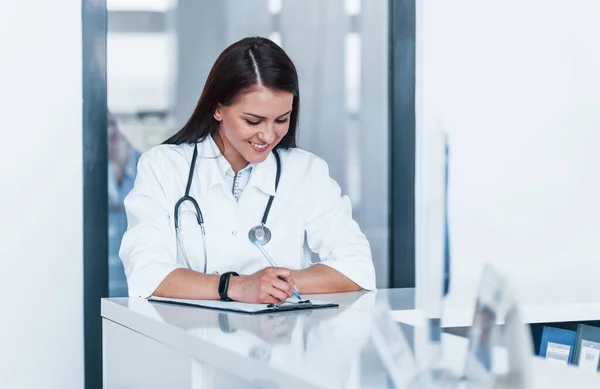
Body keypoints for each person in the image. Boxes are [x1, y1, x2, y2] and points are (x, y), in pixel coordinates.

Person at [119, 37, 375, 303]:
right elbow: (146, 273)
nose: (267, 135)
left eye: (281, 120)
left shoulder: (306, 172)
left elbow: (357, 270)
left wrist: (272, 285)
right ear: (218, 108)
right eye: (253, 121)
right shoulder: (164, 166)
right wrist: (237, 287)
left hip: (279, 338)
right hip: (190, 340)